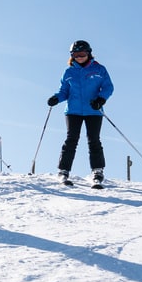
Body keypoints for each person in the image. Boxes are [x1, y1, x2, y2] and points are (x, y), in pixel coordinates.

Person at [47, 39, 113, 187]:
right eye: (76, 54)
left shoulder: (99, 69)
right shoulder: (69, 71)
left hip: (93, 110)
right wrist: (56, 98)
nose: (79, 57)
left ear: (89, 53)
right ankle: (63, 171)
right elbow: (64, 91)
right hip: (73, 111)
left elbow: (108, 87)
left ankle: (97, 170)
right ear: (72, 55)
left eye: (82, 54)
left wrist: (101, 100)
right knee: (71, 139)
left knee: (94, 139)